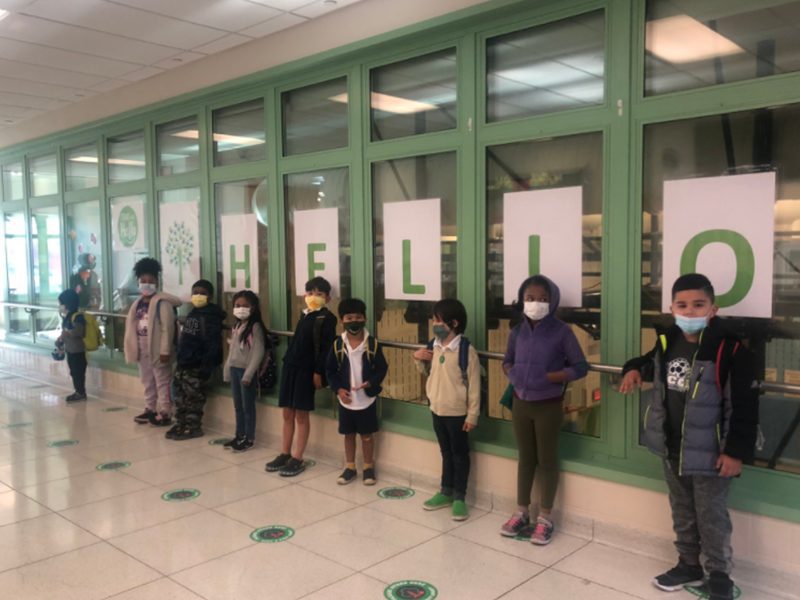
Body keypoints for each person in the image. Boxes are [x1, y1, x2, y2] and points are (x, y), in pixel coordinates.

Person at [619, 273, 759, 600]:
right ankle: (688, 564)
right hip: (673, 449)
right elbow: (650, 364)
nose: (690, 311)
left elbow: (743, 406)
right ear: (672, 308)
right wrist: (634, 368)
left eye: (699, 305)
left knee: (711, 517)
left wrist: (735, 451)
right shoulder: (669, 341)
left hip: (710, 454)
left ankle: (719, 574)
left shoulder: (730, 350)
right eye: (683, 305)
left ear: (713, 309)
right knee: (682, 511)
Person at [499, 275, 589, 544]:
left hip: (548, 405)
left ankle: (546, 517)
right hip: (520, 403)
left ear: (553, 301)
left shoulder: (562, 331)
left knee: (547, 460)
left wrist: (551, 378)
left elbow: (580, 367)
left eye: (542, 298)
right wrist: (513, 375)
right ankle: (522, 511)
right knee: (526, 458)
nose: (535, 303)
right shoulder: (517, 332)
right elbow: (507, 361)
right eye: (530, 298)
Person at [413, 298, 479, 521]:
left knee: (460, 455)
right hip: (437, 409)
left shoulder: (466, 351)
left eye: (438, 320)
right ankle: (446, 491)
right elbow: (427, 372)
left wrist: (472, 415)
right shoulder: (434, 345)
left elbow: (474, 387)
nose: (434, 324)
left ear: (454, 323)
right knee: (445, 452)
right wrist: (418, 358)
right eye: (434, 319)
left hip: (457, 413)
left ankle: (460, 497)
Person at [265, 276, 337, 477]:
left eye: (319, 294)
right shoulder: (304, 315)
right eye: (310, 293)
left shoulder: (327, 319)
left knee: (301, 415)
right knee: (287, 413)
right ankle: (284, 453)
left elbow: (326, 349)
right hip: (291, 367)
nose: (314, 297)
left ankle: (298, 457)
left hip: (307, 371)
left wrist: (319, 372)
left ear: (328, 298)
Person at [326, 298, 388, 486]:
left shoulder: (372, 345)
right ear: (342, 320)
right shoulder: (337, 345)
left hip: (366, 400)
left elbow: (382, 368)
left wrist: (371, 383)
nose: (354, 321)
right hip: (346, 400)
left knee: (367, 435)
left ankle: (368, 467)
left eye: (358, 317)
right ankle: (350, 467)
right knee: (348, 435)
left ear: (365, 318)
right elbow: (330, 370)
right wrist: (338, 389)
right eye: (349, 317)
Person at [123, 258, 182, 426]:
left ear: (157, 281)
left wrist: (165, 350)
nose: (146, 284)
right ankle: (150, 408)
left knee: (162, 380)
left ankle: (165, 411)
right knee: (147, 379)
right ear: (138, 282)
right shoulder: (138, 303)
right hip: (142, 346)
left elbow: (167, 329)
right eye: (143, 281)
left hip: (157, 348)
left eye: (150, 281)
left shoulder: (162, 303)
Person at [167, 279, 226, 440]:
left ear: (210, 296)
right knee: (180, 397)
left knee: (193, 398)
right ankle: (181, 423)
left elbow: (212, 344)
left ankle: (193, 427)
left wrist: (205, 368)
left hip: (197, 365)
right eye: (195, 293)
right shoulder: (193, 312)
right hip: (183, 363)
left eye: (203, 293)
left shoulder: (211, 317)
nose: (198, 296)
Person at [222, 290, 267, 452]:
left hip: (246, 372)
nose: (241, 308)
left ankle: (249, 438)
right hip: (235, 370)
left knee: (248, 407)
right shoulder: (237, 326)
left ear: (253, 308)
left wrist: (248, 374)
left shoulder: (255, 327)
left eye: (245, 306)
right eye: (237, 306)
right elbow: (232, 350)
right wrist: (227, 370)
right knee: (238, 406)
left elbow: (258, 352)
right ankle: (239, 435)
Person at [57, 289, 87, 403]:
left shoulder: (77, 316)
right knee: (73, 372)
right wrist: (61, 339)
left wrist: (67, 333)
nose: (60, 306)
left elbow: (78, 332)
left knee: (78, 372)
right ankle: (78, 391)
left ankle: (80, 392)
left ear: (67, 303)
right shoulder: (68, 316)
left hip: (78, 351)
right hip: (70, 350)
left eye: (61, 304)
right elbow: (66, 332)